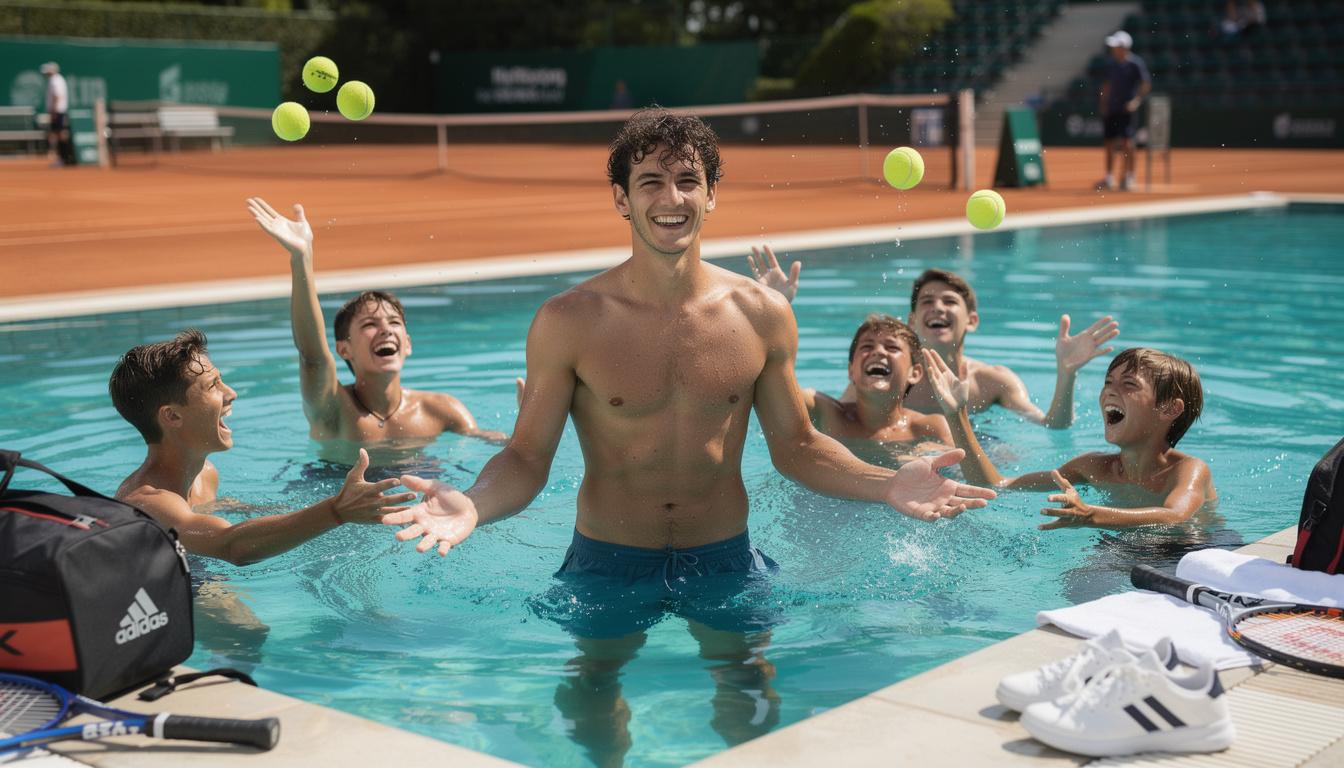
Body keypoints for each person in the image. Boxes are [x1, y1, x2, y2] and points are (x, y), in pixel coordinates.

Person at [382, 108, 995, 763]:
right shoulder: (569, 320)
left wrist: (887, 483)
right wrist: (474, 502)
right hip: (607, 560)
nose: (670, 198)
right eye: (650, 182)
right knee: (593, 684)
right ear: (621, 199)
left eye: (686, 180)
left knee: (748, 686)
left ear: (711, 195)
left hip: (723, 558)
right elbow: (528, 457)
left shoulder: (761, 315)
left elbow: (799, 448)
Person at [110, 329, 417, 565]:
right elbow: (231, 546)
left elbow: (198, 516)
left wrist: (255, 509)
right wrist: (336, 510)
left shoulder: (205, 474)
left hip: (194, 573)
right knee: (249, 637)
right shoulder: (144, 504)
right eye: (213, 386)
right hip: (157, 597)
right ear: (172, 416)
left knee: (251, 639)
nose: (230, 394)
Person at [247, 197, 511, 456]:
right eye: (370, 324)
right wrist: (301, 258)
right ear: (344, 349)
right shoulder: (333, 409)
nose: (386, 330)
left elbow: (502, 448)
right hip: (339, 493)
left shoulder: (441, 410)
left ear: (407, 344)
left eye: (394, 322)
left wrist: (529, 423)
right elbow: (313, 356)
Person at [748, 249, 1119, 429]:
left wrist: (1066, 373)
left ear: (971, 320)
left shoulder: (992, 380)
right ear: (911, 321)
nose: (936, 308)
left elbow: (1052, 427)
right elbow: (844, 420)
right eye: (926, 301)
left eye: (948, 301)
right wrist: (773, 312)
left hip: (978, 449)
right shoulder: (890, 376)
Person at [923, 346, 1216, 529]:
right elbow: (995, 485)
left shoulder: (1188, 471)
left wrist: (1091, 515)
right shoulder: (1093, 468)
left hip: (1192, 548)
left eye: (1129, 385)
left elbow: (1176, 516)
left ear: (1169, 409)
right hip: (1128, 546)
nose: (1110, 392)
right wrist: (957, 415)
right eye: (1108, 382)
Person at [804, 313, 952, 449]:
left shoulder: (929, 428)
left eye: (892, 347)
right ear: (851, 371)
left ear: (915, 373)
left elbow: (969, 474)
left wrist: (957, 414)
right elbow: (783, 392)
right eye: (867, 346)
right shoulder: (825, 413)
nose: (878, 351)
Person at [1095, 31, 1152, 192]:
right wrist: (1103, 103)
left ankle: (1129, 177)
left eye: (1116, 46)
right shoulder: (1111, 64)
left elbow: (1145, 84)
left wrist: (1136, 101)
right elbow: (1106, 86)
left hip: (1126, 110)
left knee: (1128, 143)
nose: (1113, 49)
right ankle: (1109, 178)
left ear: (1124, 47)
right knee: (1109, 143)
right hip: (1111, 109)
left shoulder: (1136, 64)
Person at [40, 61, 71, 168]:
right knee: (58, 134)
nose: (46, 73)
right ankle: (64, 158)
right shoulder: (58, 79)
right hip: (59, 111)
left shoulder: (55, 81)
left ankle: (63, 158)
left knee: (58, 134)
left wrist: (53, 112)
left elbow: (57, 97)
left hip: (57, 112)